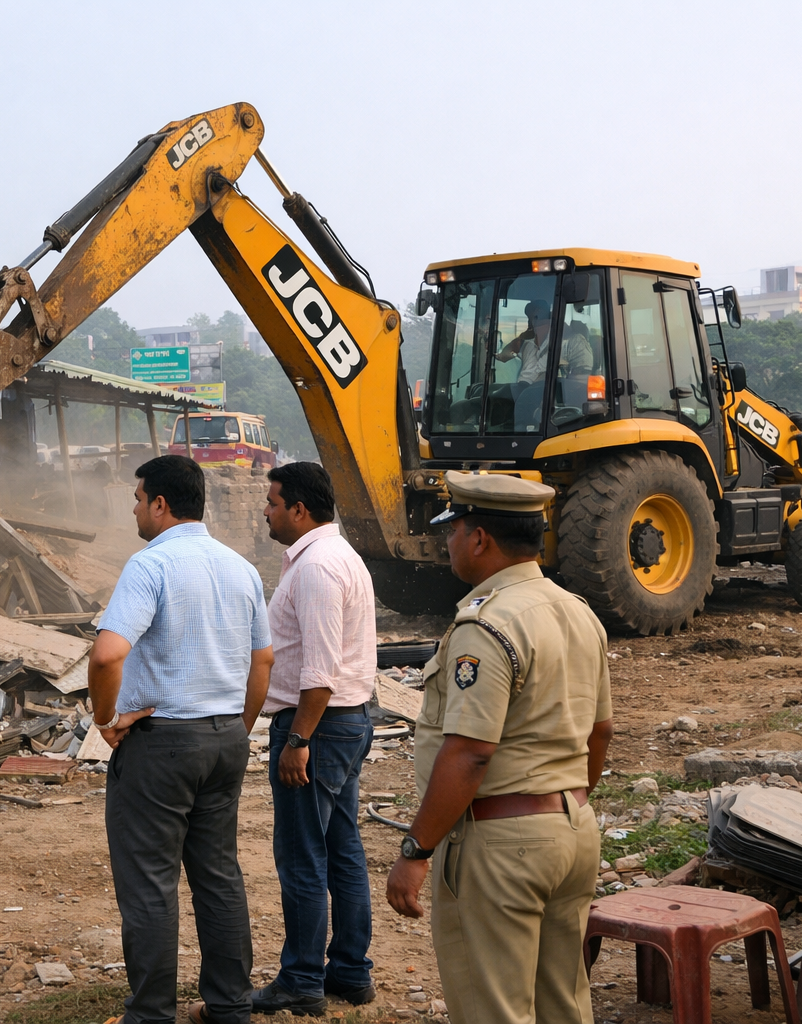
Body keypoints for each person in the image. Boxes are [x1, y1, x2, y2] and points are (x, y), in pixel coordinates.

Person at [385, 472, 613, 1024]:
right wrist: (563, 802)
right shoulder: (576, 610)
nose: (449, 543)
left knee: (495, 1011)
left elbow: (470, 753)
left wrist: (415, 852)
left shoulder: (486, 625)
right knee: (564, 1004)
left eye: (454, 530)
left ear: (480, 538)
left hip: (500, 843)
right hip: (573, 828)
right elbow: (599, 732)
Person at [88, 455, 274, 1024]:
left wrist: (104, 719)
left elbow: (107, 653)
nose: (135, 507)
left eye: (139, 497)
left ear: (161, 504)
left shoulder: (151, 565)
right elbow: (262, 658)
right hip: (224, 740)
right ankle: (230, 1007)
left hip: (162, 744)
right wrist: (237, 726)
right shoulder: (241, 568)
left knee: (149, 884)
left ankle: (150, 1015)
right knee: (218, 876)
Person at [254, 462, 378, 1017]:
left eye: (273, 501)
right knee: (342, 849)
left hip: (319, 727)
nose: (266, 510)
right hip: (343, 723)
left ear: (299, 510)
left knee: (303, 856)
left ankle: (302, 981)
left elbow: (320, 670)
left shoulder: (318, 567)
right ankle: (349, 972)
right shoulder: (336, 556)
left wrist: (298, 738)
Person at [495, 300, 554, 386]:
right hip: (526, 387)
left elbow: (503, 356)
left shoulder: (562, 340)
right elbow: (504, 356)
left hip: (542, 389)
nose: (529, 322)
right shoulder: (525, 341)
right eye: (529, 319)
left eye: (533, 318)